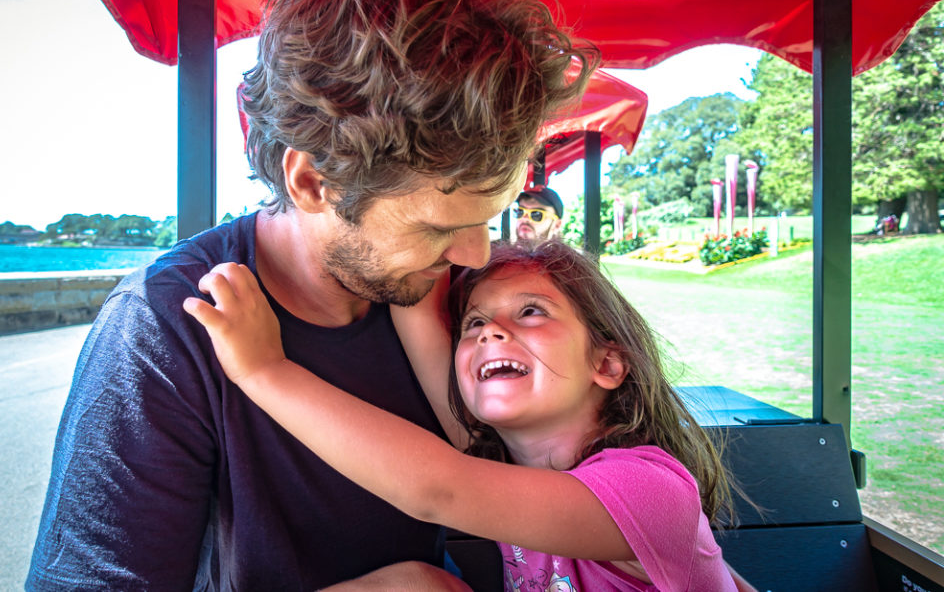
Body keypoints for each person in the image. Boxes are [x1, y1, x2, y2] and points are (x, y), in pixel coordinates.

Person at [25, 0, 598, 591]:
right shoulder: (164, 327)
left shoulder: (467, 300)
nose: (476, 252)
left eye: (488, 218)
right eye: (442, 225)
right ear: (310, 182)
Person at [184, 241, 756, 591]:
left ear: (606, 362)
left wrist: (263, 370)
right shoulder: (506, 470)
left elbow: (438, 489)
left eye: (531, 312)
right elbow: (415, 303)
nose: (491, 332)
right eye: (473, 325)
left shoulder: (647, 486)